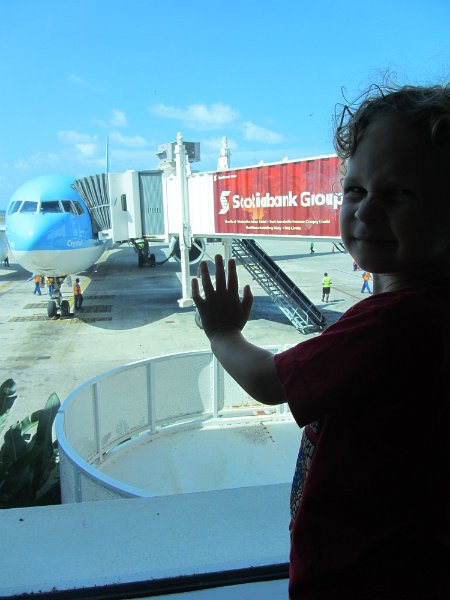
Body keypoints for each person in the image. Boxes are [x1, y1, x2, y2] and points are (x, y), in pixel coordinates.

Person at [191, 83, 450, 599]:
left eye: (400, 194)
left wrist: (222, 332)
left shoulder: (392, 323)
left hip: (357, 571)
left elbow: (269, 382)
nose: (367, 211)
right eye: (355, 190)